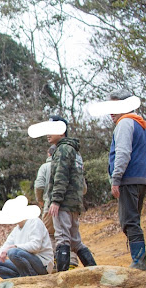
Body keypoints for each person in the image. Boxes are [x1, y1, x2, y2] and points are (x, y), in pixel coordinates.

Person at [89, 90, 146, 270]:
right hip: (142, 178)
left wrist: (116, 179)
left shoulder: (125, 124)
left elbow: (123, 153)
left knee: (129, 221)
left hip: (129, 179)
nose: (111, 112)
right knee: (133, 220)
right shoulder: (140, 124)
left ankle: (139, 263)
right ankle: (139, 261)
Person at [29, 115, 96, 271]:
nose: (48, 134)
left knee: (62, 238)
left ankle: (62, 275)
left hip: (64, 202)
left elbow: (61, 176)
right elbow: (80, 181)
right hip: (74, 202)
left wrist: (56, 201)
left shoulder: (62, 150)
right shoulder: (74, 151)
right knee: (75, 240)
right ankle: (93, 269)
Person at [0, 195, 54, 279]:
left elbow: (35, 246)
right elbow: (3, 251)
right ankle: (17, 280)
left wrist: (14, 247)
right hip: (25, 263)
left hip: (42, 264)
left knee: (13, 252)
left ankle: (30, 278)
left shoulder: (34, 221)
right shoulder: (16, 230)